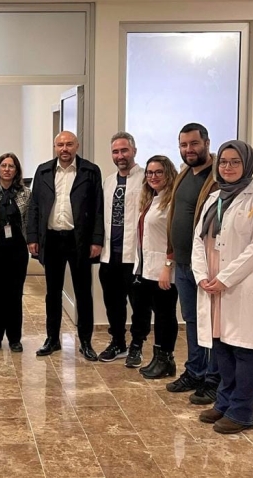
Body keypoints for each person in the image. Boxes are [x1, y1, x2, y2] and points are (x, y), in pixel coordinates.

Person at [193, 141, 253, 434]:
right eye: (224, 162)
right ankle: (224, 402)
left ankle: (242, 412)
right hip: (212, 283)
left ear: (247, 165)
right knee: (222, 348)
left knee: (244, 351)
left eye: (235, 162)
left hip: (240, 285)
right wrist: (201, 275)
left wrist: (225, 278)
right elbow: (198, 240)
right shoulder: (213, 197)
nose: (227, 167)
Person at [27, 131, 104, 359]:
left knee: (83, 292)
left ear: (77, 146)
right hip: (51, 239)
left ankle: (86, 341)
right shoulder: (43, 171)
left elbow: (98, 208)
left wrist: (97, 239)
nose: (64, 149)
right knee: (52, 293)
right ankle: (52, 339)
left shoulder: (90, 171)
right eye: (60, 145)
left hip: (79, 240)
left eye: (69, 144)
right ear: (55, 147)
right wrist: (32, 237)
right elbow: (34, 206)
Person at [166, 123, 220, 404]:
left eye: (194, 143)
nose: (189, 149)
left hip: (207, 267)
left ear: (207, 143)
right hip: (183, 264)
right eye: (184, 145)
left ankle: (214, 379)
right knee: (191, 320)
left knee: (212, 324)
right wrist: (171, 256)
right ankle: (195, 372)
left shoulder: (218, 177)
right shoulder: (184, 174)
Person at [98, 131, 149, 367]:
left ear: (134, 151)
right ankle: (118, 342)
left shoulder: (146, 179)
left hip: (135, 256)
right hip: (110, 255)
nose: (120, 156)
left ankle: (136, 345)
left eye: (124, 150)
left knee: (139, 305)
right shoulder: (108, 182)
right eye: (115, 151)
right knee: (113, 303)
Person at [134, 156, 180, 379]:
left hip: (164, 270)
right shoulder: (152, 199)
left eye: (158, 172)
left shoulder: (173, 202)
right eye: (150, 172)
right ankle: (159, 358)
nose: (153, 176)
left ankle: (165, 360)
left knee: (165, 316)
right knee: (158, 315)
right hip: (148, 269)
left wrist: (168, 265)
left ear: (168, 174)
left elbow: (175, 237)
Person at [0, 153, 31, 353]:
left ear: (16, 170)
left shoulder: (25, 193)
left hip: (17, 250)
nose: (7, 169)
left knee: (14, 294)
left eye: (11, 166)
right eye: (3, 165)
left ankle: (14, 338)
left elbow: (29, 220)